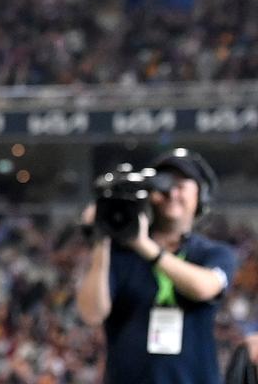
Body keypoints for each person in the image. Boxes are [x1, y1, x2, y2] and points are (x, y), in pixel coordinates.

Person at [76, 148, 238, 384]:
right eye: (163, 186)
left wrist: (144, 246)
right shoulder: (121, 254)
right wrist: (102, 240)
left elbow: (204, 287)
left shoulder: (214, 253)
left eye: (181, 185)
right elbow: (91, 313)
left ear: (200, 196)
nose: (171, 193)